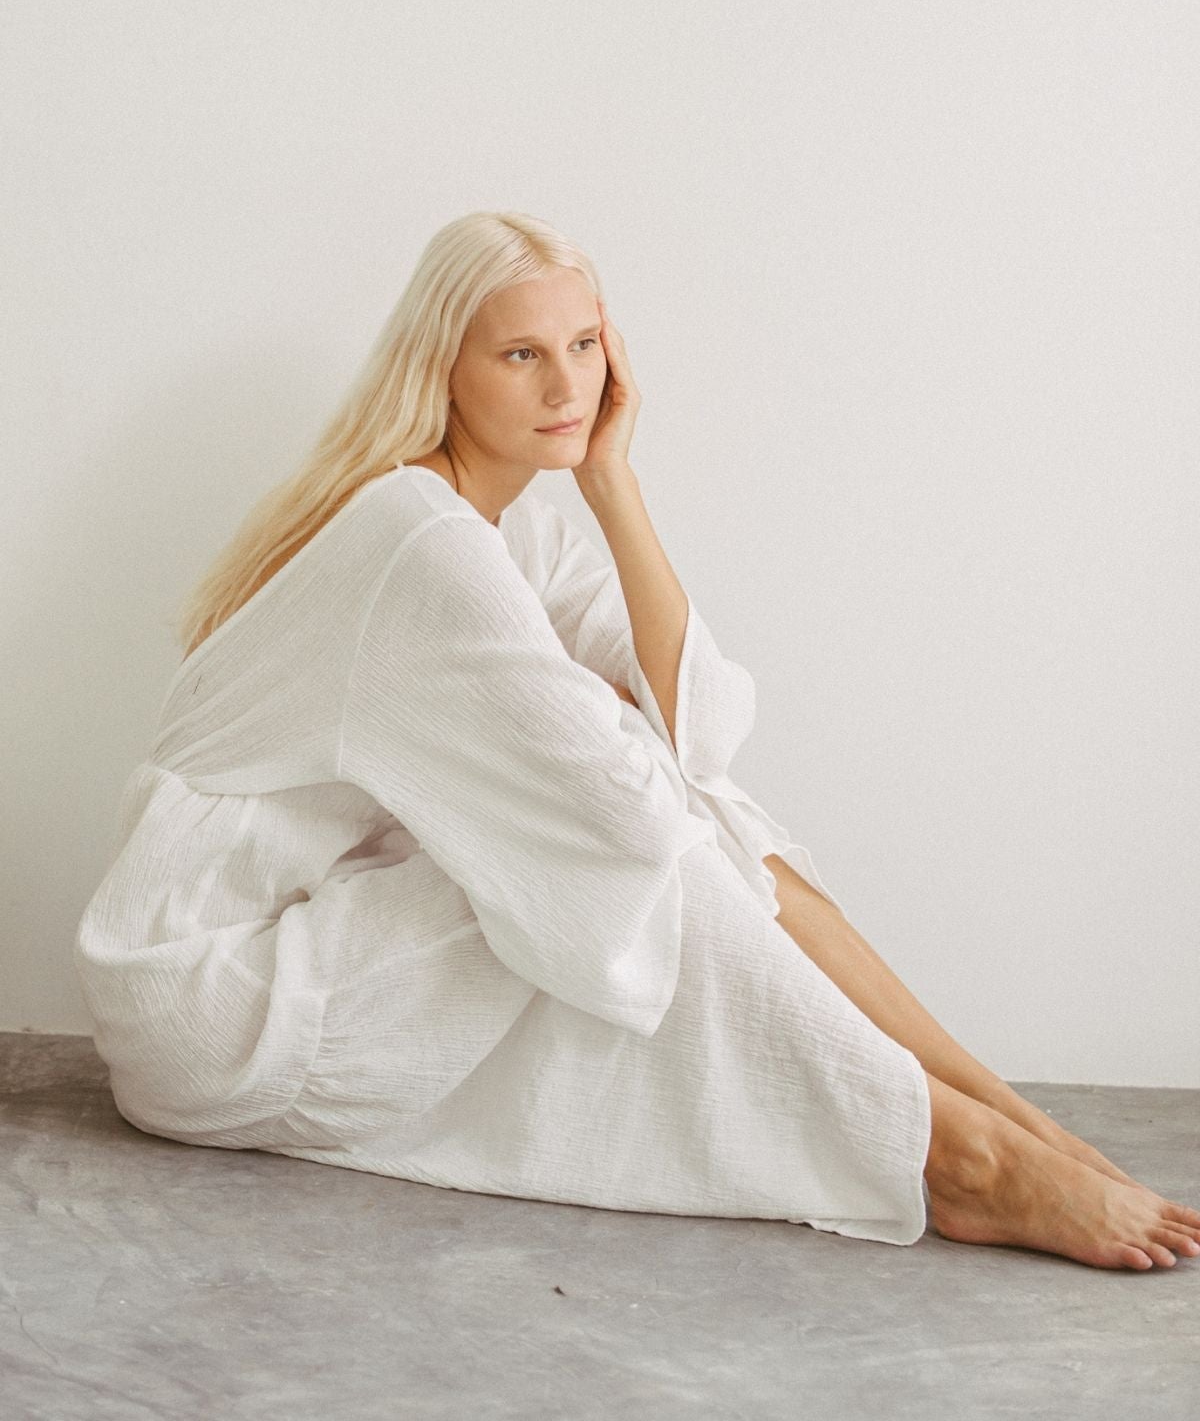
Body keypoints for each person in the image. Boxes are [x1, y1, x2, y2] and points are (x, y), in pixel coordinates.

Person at [74, 210, 1200, 1271]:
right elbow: (632, 815)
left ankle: (990, 1115)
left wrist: (614, 482)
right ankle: (960, 1150)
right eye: (521, 356)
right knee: (652, 834)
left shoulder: (515, 533)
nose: (569, 384)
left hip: (296, 954)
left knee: (681, 802)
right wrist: (633, 751)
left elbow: (701, 731)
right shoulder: (418, 544)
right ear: (442, 371)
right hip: (218, 999)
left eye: (582, 343)